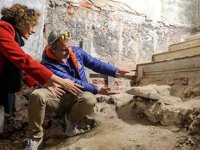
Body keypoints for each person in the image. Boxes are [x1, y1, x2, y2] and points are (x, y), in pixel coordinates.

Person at [25, 29, 129, 150]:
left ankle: (70, 121)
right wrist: (97, 88)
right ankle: (35, 137)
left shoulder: (76, 52)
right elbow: (72, 82)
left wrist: (114, 71)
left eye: (69, 47)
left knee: (89, 99)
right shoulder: (48, 64)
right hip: (59, 97)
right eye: (64, 49)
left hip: (77, 96)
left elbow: (94, 63)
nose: (69, 52)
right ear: (53, 50)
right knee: (37, 95)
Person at [0, 4, 83, 133]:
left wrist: (39, 82)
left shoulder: (9, 34)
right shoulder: (2, 32)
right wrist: (60, 81)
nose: (33, 30)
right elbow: (23, 61)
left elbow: (18, 64)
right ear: (22, 23)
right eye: (32, 25)